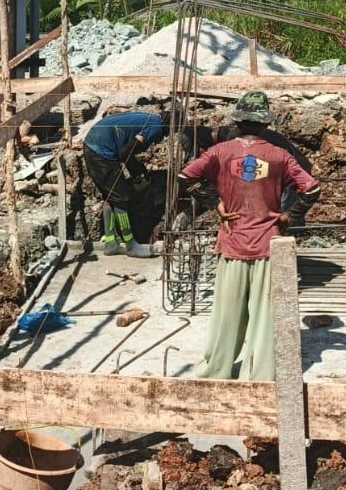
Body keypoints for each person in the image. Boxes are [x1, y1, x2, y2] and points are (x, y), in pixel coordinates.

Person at [181, 91, 319, 381]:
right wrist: (288, 215)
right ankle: (260, 372)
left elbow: (186, 178)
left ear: (238, 122)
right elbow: (312, 189)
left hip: (232, 241)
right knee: (264, 315)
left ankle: (216, 369)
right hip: (268, 244)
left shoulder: (220, 152)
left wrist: (215, 204)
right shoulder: (280, 156)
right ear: (265, 124)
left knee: (227, 315)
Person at [82, 110, 167, 257]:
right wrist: (137, 172)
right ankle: (131, 245)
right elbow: (126, 153)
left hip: (92, 145)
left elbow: (126, 151)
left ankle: (110, 244)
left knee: (111, 198)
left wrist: (137, 169)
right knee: (121, 199)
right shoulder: (156, 127)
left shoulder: (148, 118)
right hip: (102, 152)